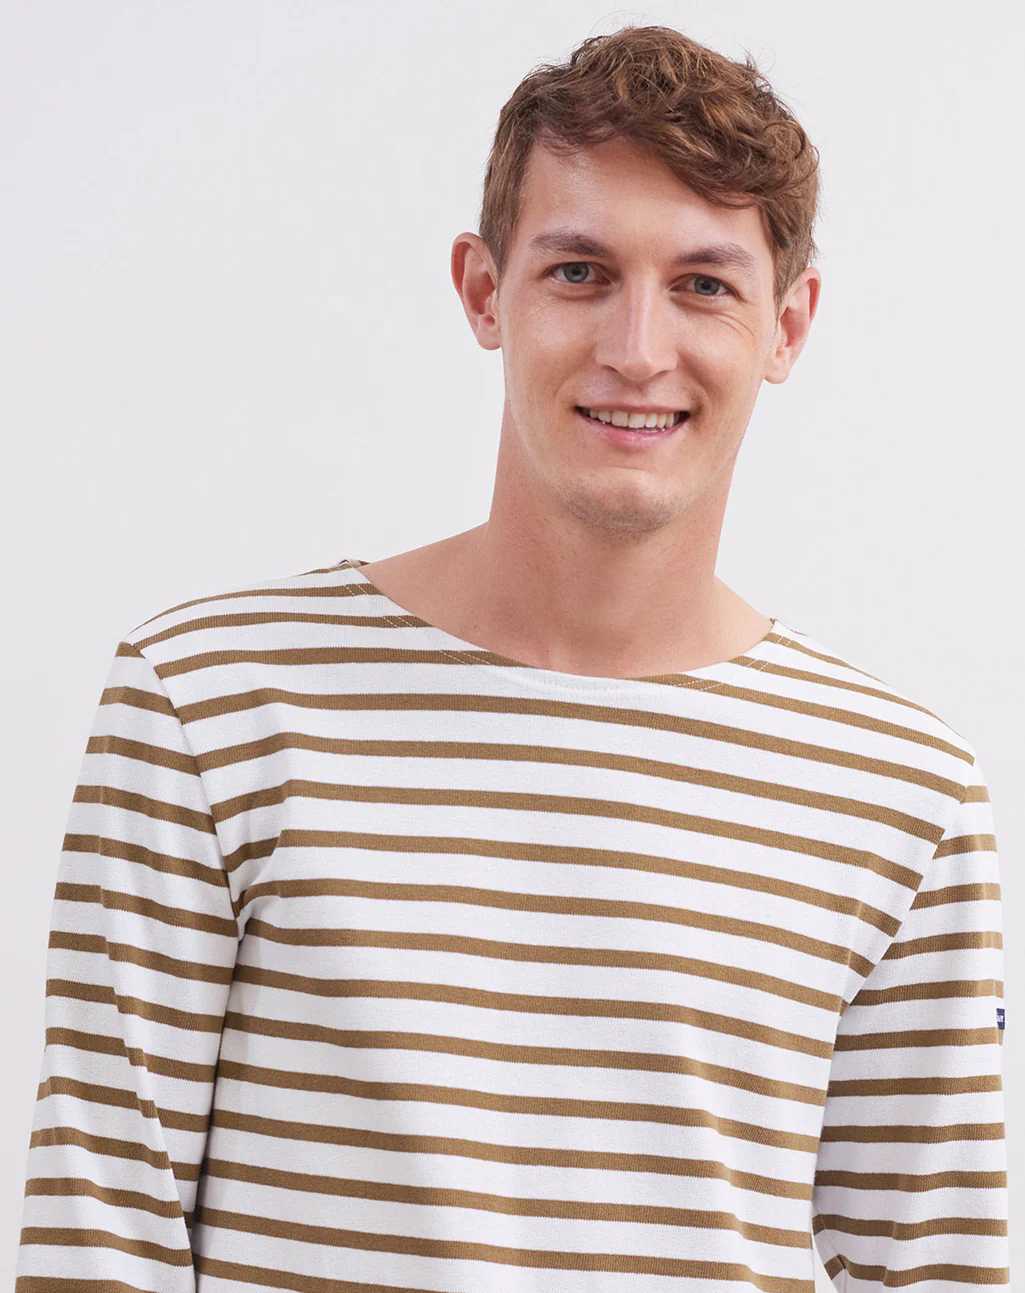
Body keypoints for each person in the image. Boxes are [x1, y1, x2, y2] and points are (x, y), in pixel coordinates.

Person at [15, 23, 1009, 1293]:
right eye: (579, 272)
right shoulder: (212, 708)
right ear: (484, 292)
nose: (636, 348)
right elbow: (99, 1243)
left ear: (788, 323)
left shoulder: (902, 795)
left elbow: (931, 1270)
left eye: (703, 284)